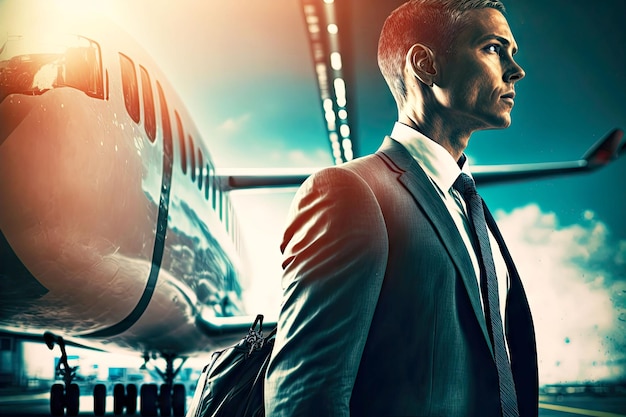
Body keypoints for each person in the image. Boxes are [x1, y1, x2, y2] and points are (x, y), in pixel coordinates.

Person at [264, 0, 538, 415]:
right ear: (426, 65)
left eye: (512, 54)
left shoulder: (472, 207)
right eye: (493, 49)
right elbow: (303, 399)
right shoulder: (349, 192)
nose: (516, 70)